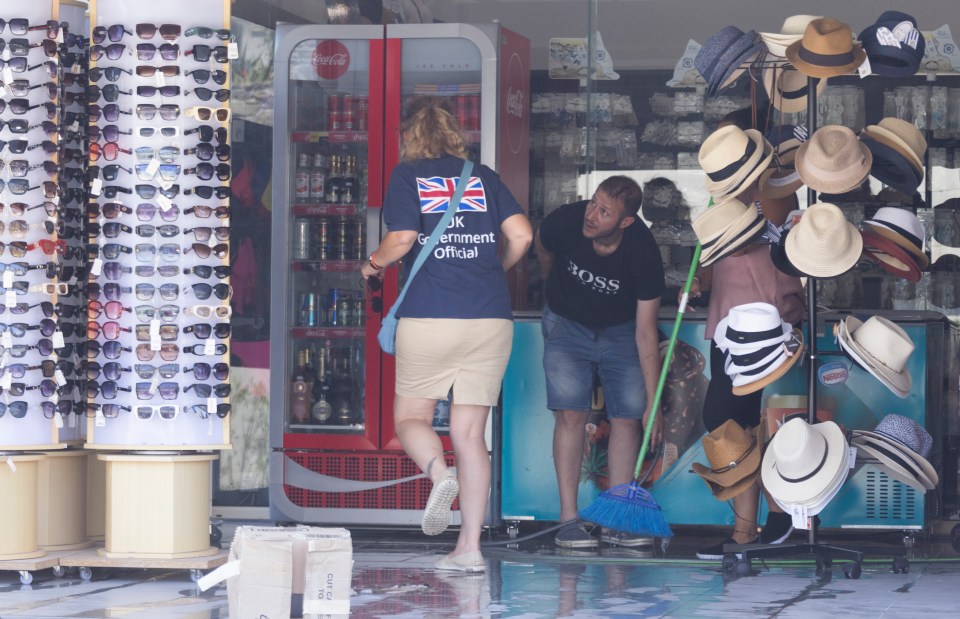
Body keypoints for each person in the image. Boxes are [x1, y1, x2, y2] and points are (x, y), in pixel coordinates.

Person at [360, 96, 532, 572]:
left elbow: (402, 239)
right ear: (455, 135)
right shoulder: (482, 176)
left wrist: (371, 264)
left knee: (411, 417)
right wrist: (496, 269)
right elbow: (521, 236)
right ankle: (470, 549)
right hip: (490, 319)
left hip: (431, 315)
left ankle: (439, 474)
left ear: (408, 138)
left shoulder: (406, 176)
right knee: (470, 434)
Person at [688, 107, 806, 560]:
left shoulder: (772, 196)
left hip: (765, 326)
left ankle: (759, 527)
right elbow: (716, 259)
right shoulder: (725, 202)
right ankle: (745, 531)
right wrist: (700, 277)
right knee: (732, 424)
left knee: (744, 421)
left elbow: (774, 252)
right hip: (728, 325)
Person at [536, 175, 665, 549]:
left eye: (604, 211)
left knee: (627, 417)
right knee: (570, 415)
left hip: (622, 331)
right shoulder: (567, 221)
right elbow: (543, 247)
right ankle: (568, 522)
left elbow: (645, 332)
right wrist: (551, 284)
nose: (591, 215)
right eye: (593, 202)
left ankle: (618, 520)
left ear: (626, 222)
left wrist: (653, 404)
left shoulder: (643, 253)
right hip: (566, 323)